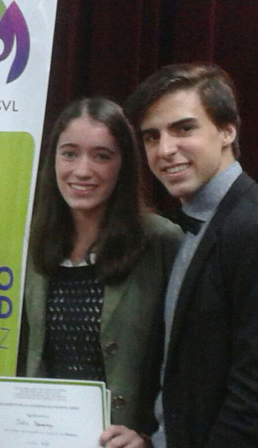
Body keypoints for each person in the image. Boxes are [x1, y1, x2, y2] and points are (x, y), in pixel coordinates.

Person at [18, 98, 182, 447]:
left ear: (124, 165)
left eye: (101, 156)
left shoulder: (161, 242)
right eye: (69, 154)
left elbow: (188, 361)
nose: (82, 170)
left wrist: (151, 438)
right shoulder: (29, 244)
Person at [123, 63, 258, 447]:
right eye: (152, 136)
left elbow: (251, 396)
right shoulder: (188, 226)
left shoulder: (250, 227)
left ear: (228, 130)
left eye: (184, 129)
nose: (165, 150)